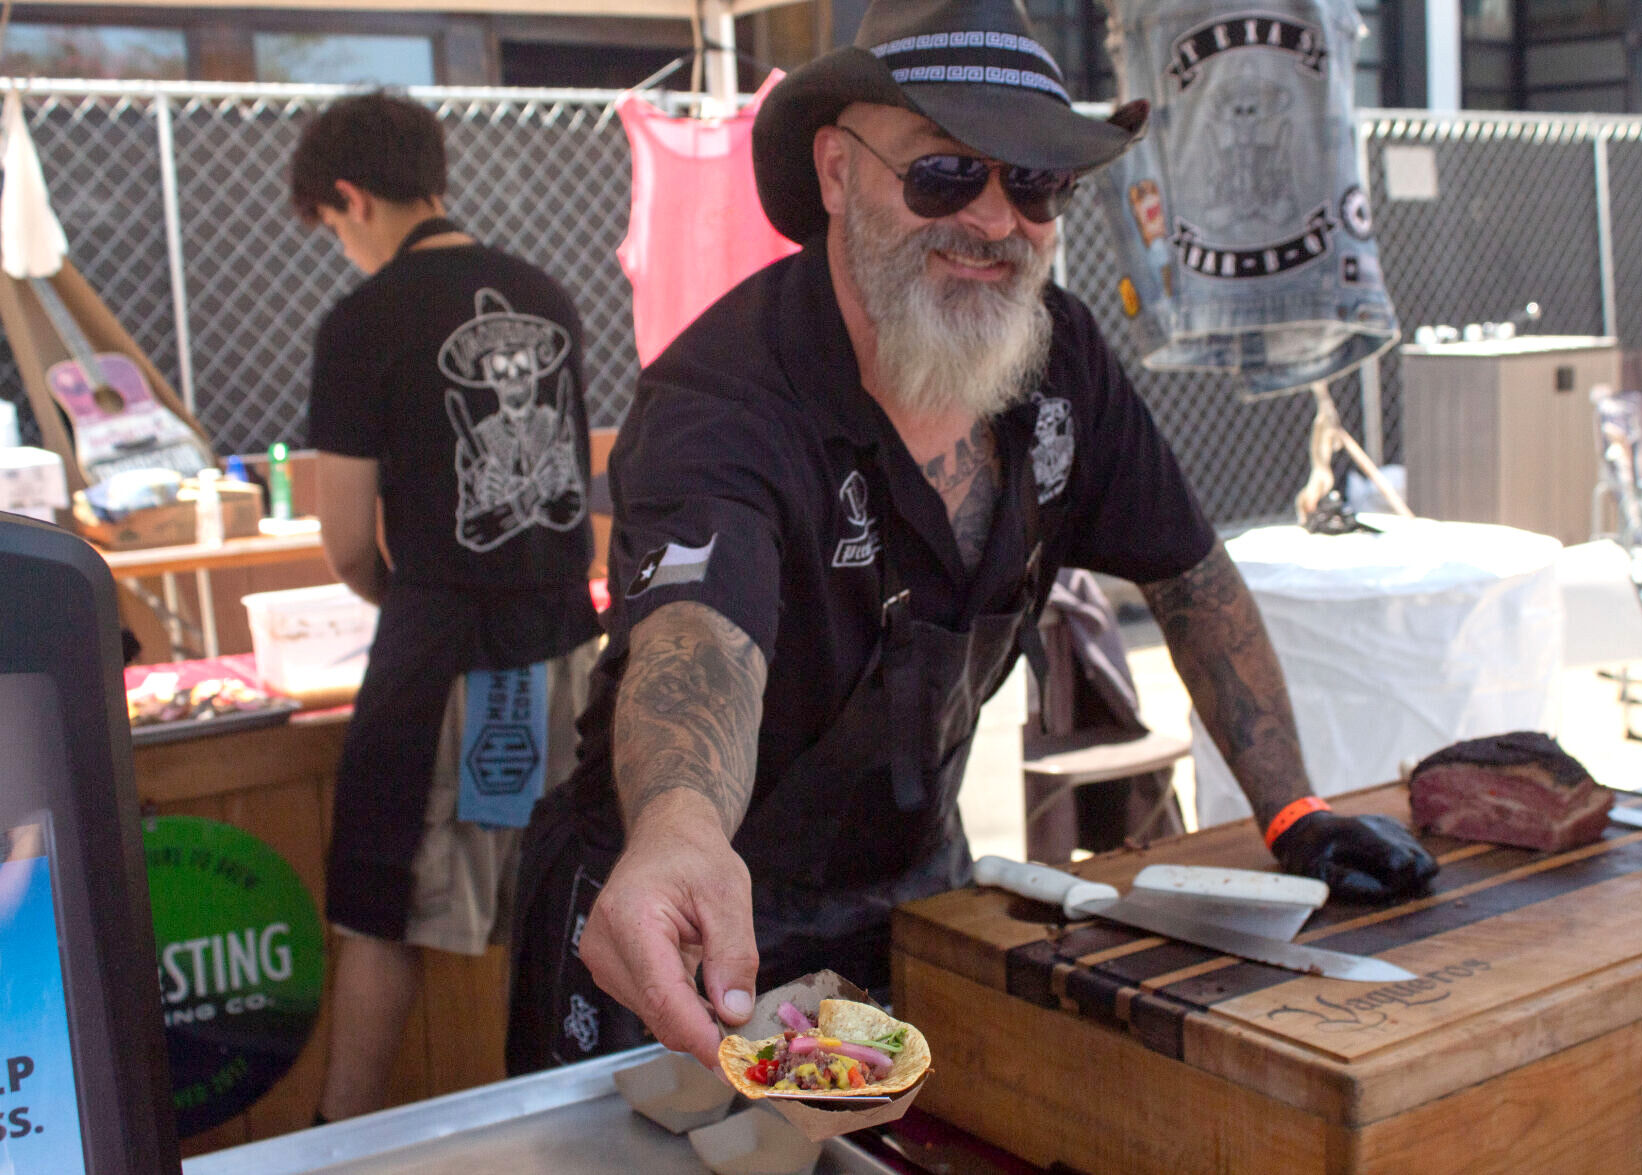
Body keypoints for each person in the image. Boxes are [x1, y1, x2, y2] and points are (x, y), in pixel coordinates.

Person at [507, 0, 1437, 1076]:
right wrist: (676, 834)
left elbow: (1190, 578)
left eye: (1033, 181)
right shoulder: (725, 397)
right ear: (837, 172)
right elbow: (696, 641)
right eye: (945, 174)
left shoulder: (1059, 365)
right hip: (675, 930)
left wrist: (1293, 809)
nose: (995, 221)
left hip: (914, 901)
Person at [289, 91, 601, 1120]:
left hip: (440, 663)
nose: (339, 246)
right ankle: (568, 1126)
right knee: (552, 904)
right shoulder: (546, 297)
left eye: (329, 227)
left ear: (345, 195)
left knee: (383, 909)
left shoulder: (362, 320)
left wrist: (406, 594)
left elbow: (342, 537)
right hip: (565, 649)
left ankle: (340, 1142)